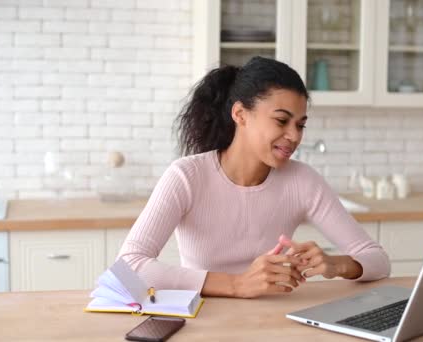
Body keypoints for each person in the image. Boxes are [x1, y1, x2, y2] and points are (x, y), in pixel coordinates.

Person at [118, 56, 390, 299]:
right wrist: (237, 285)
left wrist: (336, 264)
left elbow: (378, 260)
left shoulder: (302, 181)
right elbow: (129, 265)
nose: (294, 136)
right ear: (240, 114)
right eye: (281, 121)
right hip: (204, 320)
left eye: (300, 125)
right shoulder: (187, 176)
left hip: (275, 320)